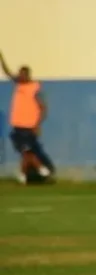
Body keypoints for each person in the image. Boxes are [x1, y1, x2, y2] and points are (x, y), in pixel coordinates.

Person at [1, 53, 54, 183]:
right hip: (17, 126)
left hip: (28, 126)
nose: (20, 76)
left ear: (28, 75)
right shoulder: (19, 85)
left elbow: (43, 108)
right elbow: (7, 72)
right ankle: (23, 176)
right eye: (19, 74)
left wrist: (37, 125)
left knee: (27, 151)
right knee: (25, 152)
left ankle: (42, 170)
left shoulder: (34, 88)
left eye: (22, 74)